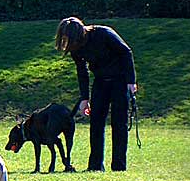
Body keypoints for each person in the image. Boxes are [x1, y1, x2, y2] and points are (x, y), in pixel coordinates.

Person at [55, 17, 138, 171]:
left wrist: (131, 81)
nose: (66, 42)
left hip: (120, 81)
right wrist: (85, 98)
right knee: (96, 124)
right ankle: (95, 166)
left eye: (67, 38)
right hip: (100, 82)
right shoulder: (76, 47)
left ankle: (119, 166)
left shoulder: (103, 33)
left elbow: (126, 52)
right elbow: (82, 72)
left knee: (119, 124)